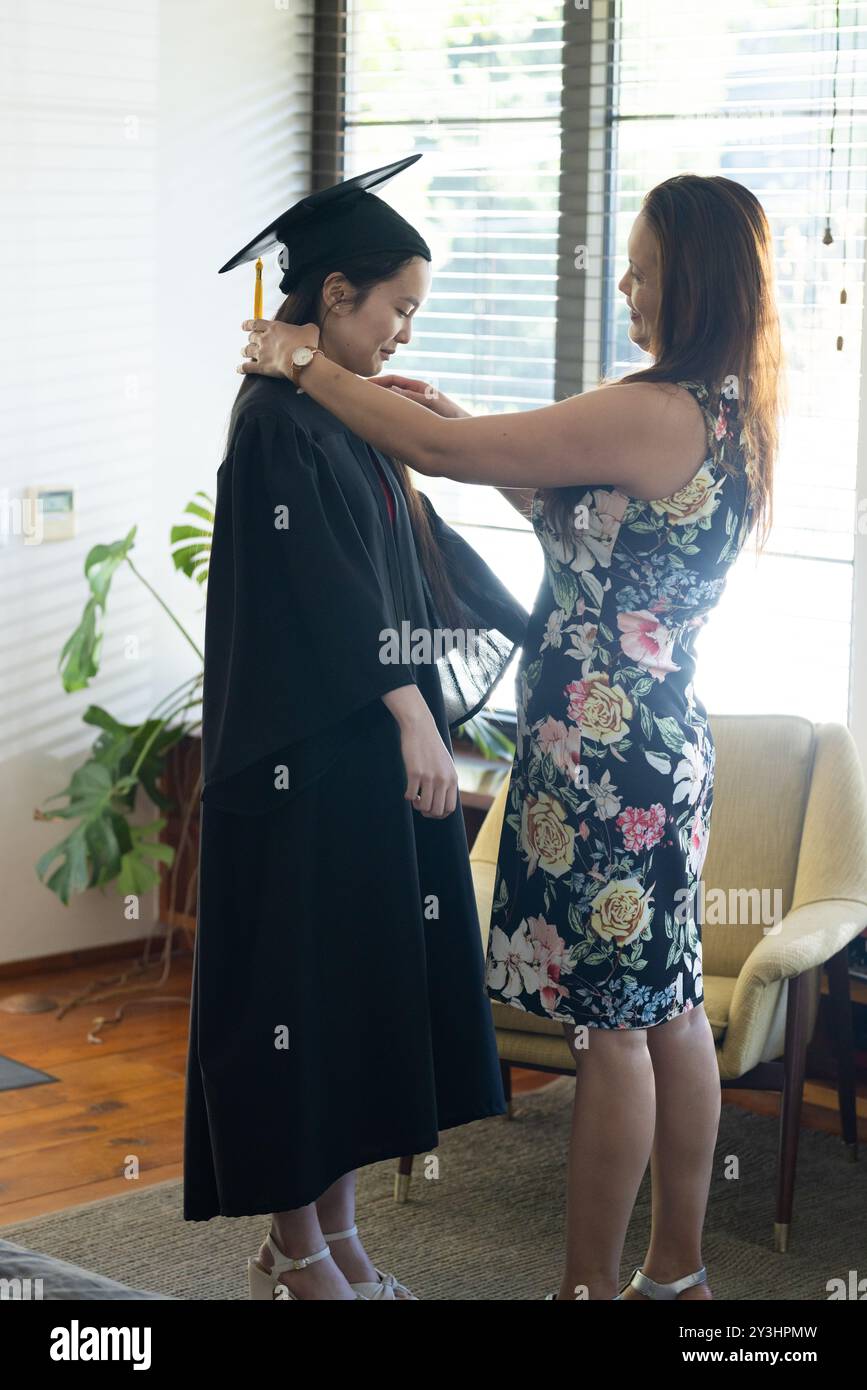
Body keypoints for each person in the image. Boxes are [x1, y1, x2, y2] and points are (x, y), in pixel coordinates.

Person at [237, 171, 784, 1301]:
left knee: (612, 1033)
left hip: (602, 756)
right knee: (671, 1004)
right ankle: (675, 1274)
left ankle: (586, 1290)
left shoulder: (655, 406)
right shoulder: (731, 414)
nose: (626, 284)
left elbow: (456, 459)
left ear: (696, 277)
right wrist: (447, 421)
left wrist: (304, 362)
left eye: (642, 266)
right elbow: (573, 509)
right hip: (668, 742)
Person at [183, 156, 529, 1302]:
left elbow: (406, 563)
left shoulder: (342, 413)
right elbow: (329, 587)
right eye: (397, 309)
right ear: (335, 295)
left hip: (357, 758)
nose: (401, 333)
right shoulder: (277, 419)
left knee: (346, 1011)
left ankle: (332, 1242)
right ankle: (295, 1248)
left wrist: (532, 628)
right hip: (303, 759)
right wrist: (411, 717)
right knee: (301, 1010)